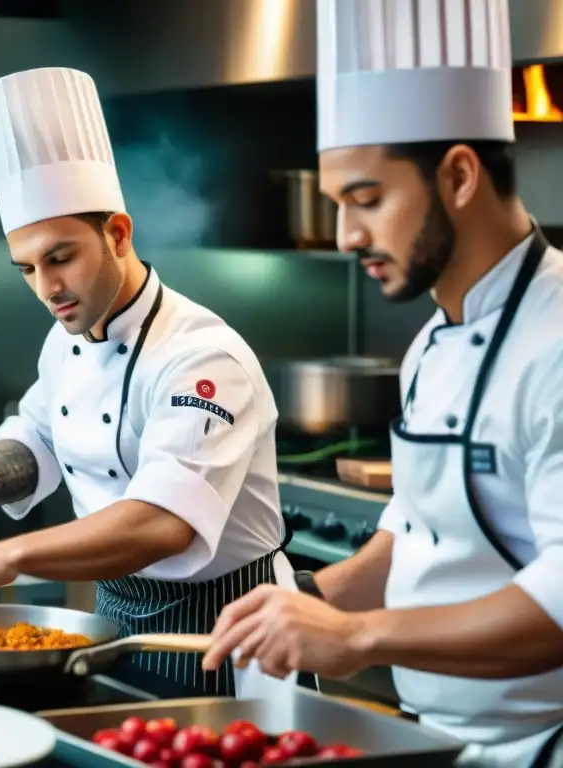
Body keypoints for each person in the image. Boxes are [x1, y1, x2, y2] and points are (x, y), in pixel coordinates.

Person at [203, 1, 563, 765]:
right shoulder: (434, 341)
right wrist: (314, 600)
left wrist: (357, 636)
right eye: (338, 205)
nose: (345, 237)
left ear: (460, 174)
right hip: (434, 739)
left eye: (366, 200)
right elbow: (415, 531)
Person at [0, 67, 300, 698]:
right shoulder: (68, 338)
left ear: (118, 234)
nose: (47, 289)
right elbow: (40, 439)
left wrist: (7, 556)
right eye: (26, 268)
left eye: (61, 257)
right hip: (114, 622)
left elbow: (162, 524)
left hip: (229, 637)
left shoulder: (202, 359)